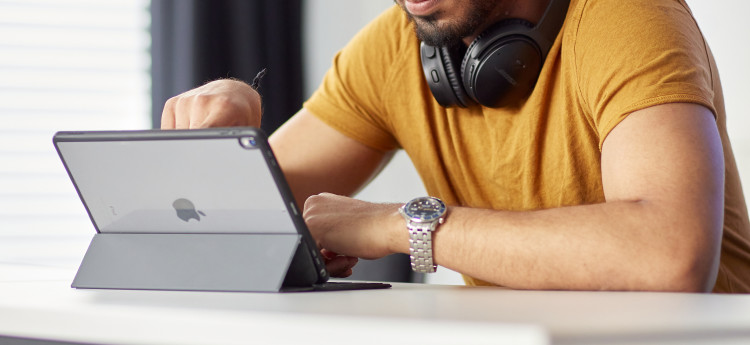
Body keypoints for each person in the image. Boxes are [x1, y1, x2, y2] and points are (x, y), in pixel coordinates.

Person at [160, 0, 750, 293]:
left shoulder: (627, 17)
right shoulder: (398, 44)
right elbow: (221, 224)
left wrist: (401, 226)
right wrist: (233, 112)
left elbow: (668, 257)